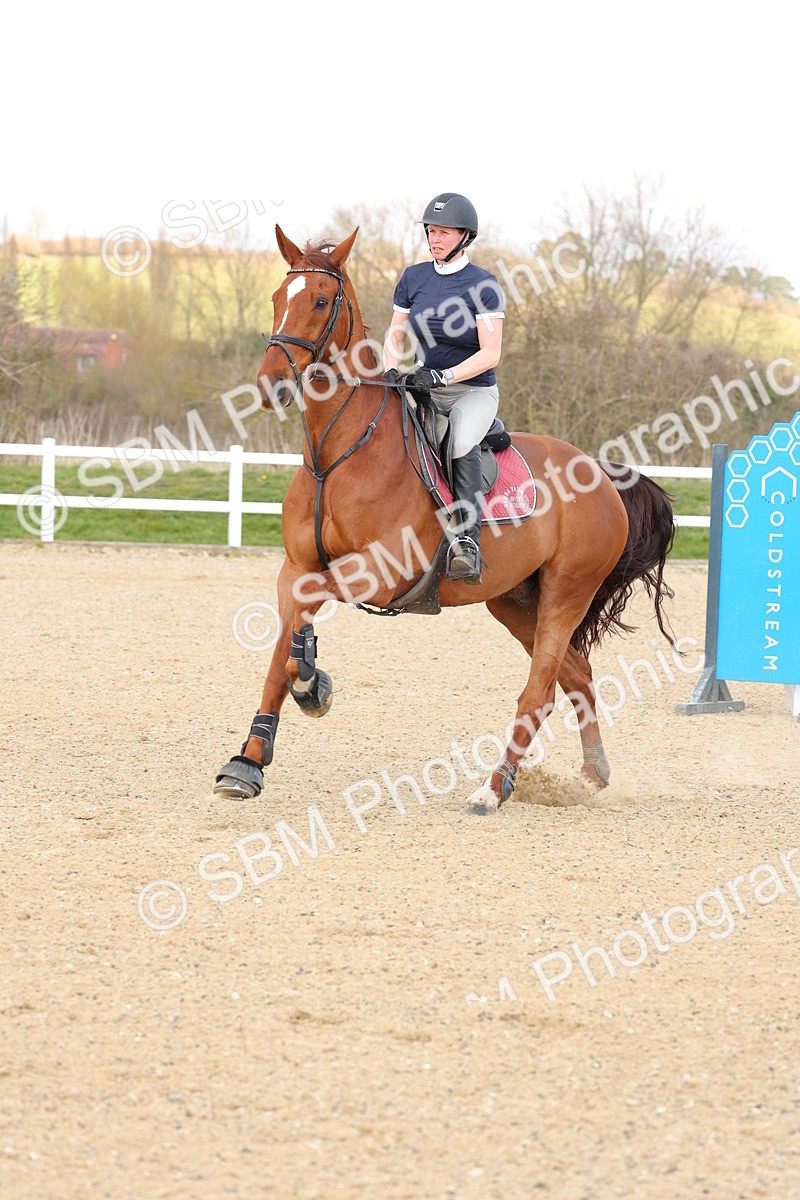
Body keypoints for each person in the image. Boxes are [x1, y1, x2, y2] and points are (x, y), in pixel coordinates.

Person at [383, 192, 505, 584]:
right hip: (425, 388)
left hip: (472, 392)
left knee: (460, 442)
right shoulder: (413, 278)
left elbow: (491, 353)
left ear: (465, 237)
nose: (435, 239)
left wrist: (444, 376)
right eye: (431, 231)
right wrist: (391, 369)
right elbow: (396, 333)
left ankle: (467, 543)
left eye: (444, 233)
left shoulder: (484, 284)